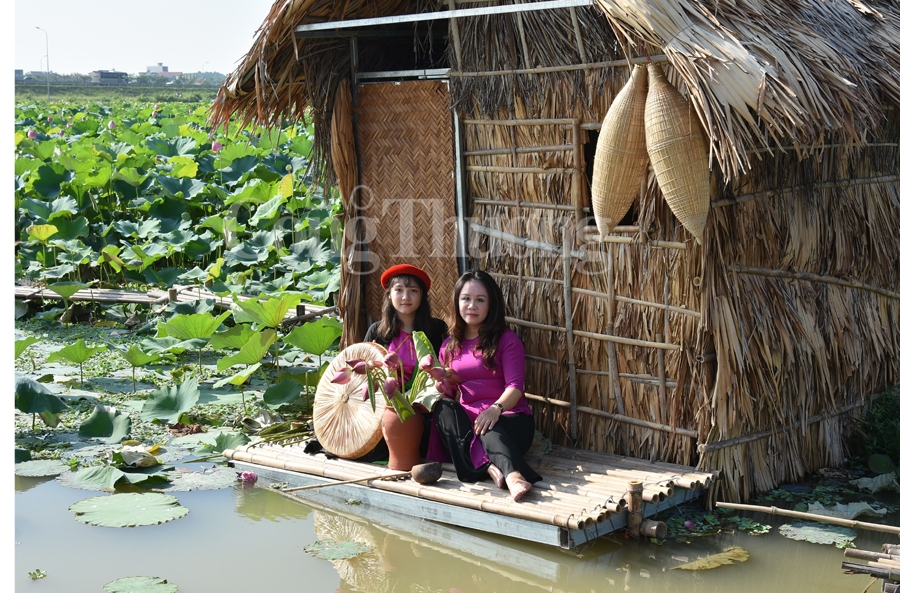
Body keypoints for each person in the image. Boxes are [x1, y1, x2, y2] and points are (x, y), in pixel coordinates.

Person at [427, 270, 542, 502]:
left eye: (480, 300)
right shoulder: (449, 346)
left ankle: (512, 474)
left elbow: (516, 386)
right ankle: (490, 467)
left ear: (491, 305)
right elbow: (451, 393)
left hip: (509, 420)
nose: (472, 305)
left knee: (487, 424)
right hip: (471, 423)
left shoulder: (507, 340)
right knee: (444, 409)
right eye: (466, 299)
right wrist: (440, 382)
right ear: (457, 302)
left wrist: (495, 409)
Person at [363, 264, 448, 460]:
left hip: (424, 411)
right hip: (386, 410)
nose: (405, 297)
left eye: (413, 291)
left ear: (422, 296)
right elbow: (367, 374)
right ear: (389, 295)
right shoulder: (378, 332)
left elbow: (443, 369)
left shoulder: (436, 330)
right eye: (399, 290)